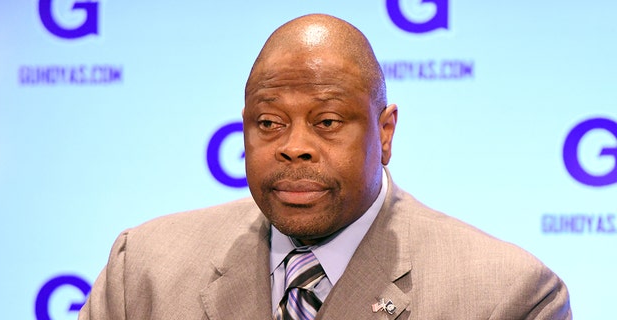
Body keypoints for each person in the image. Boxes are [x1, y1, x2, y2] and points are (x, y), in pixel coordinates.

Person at [79, 14, 571, 319]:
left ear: (385, 132)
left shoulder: (508, 296)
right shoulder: (143, 271)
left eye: (328, 121)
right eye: (269, 122)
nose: (295, 147)